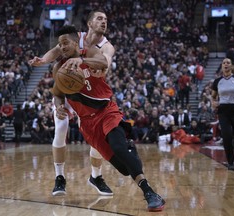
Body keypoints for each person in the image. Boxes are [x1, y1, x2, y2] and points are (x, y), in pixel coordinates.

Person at [52, 25, 165, 212]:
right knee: (123, 167)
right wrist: (58, 106)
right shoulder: (58, 68)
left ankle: (149, 192)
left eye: (65, 43)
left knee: (119, 148)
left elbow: (103, 64)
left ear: (75, 42)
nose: (62, 47)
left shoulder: (89, 51)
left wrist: (80, 61)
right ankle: (130, 149)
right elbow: (57, 93)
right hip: (87, 123)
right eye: (59, 44)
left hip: (106, 111)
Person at [29, 10, 113, 196]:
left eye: (106, 19)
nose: (104, 22)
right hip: (67, 92)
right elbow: (56, 50)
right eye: (100, 18)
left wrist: (86, 62)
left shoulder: (107, 47)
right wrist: (43, 60)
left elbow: (103, 63)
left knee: (96, 136)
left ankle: (96, 176)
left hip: (89, 93)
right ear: (89, 23)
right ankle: (60, 177)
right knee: (61, 127)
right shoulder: (75, 38)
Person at [211, 58, 234, 170]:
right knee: (226, 136)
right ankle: (230, 162)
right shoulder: (217, 81)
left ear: (231, 66)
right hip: (223, 110)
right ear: (222, 66)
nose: (226, 64)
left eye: (228, 63)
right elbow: (213, 96)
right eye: (224, 63)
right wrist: (213, 102)